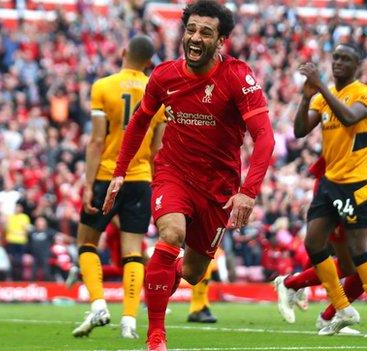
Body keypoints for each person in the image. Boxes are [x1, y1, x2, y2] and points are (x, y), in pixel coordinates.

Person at [101, 1, 275, 350]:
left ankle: (159, 278)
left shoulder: (238, 77)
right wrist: (119, 173)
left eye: (206, 32)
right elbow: (138, 123)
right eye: (191, 30)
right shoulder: (164, 75)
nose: (195, 38)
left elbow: (265, 137)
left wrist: (248, 191)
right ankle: (156, 337)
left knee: (193, 273)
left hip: (219, 187)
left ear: (221, 40)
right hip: (173, 173)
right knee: (171, 233)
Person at [275, 89, 367, 333]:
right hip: (335, 183)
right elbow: (348, 126)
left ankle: (321, 305)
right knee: (359, 259)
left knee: (361, 261)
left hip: (363, 189)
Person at [292, 44, 367, 337]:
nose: (338, 62)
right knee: (313, 242)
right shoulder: (323, 98)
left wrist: (321, 86)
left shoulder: (366, 93)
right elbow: (300, 130)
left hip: (358, 180)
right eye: (335, 58)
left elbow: (350, 117)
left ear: (356, 67)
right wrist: (305, 97)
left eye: (345, 59)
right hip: (331, 180)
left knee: (358, 248)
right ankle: (342, 308)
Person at [71, 35, 166, 340]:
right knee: (133, 252)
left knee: (86, 243)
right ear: (150, 62)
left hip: (107, 175)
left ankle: (98, 304)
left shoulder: (103, 86)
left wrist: (88, 185)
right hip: (140, 178)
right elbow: (158, 147)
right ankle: (129, 322)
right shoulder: (158, 93)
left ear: (124, 52)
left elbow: (97, 140)